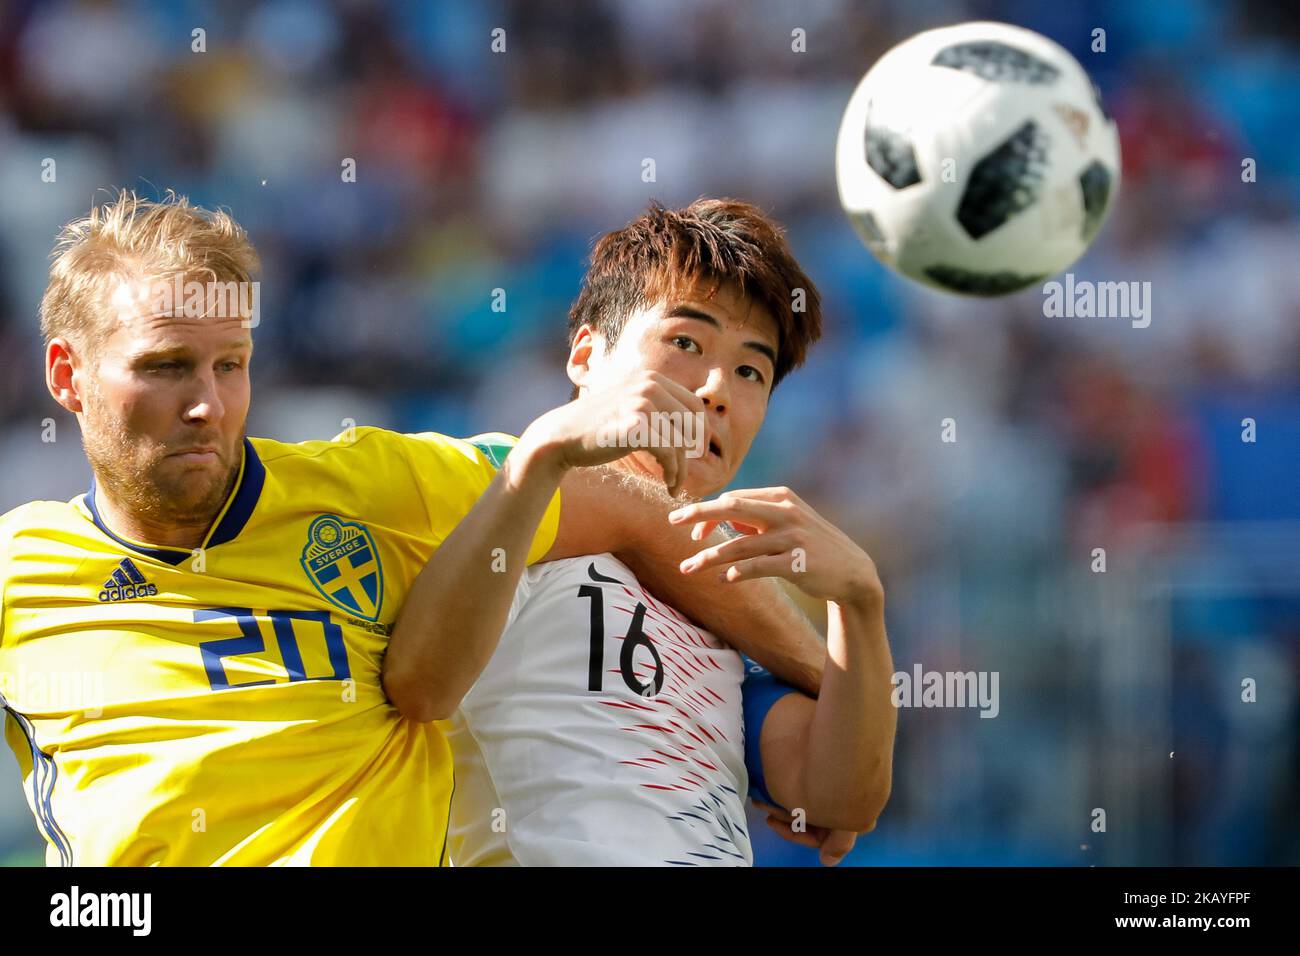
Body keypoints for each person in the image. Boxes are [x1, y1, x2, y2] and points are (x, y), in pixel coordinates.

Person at [0, 191, 826, 865]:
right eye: (165, 366)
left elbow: (636, 512)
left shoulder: (376, 486)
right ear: (67, 376)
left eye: (232, 364)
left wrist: (830, 679)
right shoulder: (19, 573)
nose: (208, 404)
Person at [383, 199, 896, 866]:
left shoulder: (726, 623)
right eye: (686, 342)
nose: (716, 389)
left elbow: (842, 803)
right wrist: (543, 456)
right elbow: (419, 687)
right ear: (586, 355)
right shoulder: (500, 489)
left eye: (751, 371)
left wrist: (858, 603)